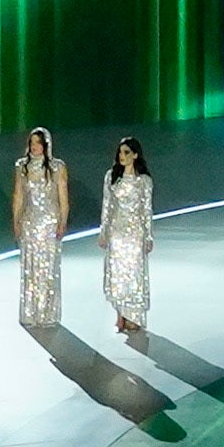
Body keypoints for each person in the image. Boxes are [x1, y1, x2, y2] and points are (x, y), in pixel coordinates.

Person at [11, 128, 71, 327]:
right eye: (31, 143)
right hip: (29, 223)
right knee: (31, 268)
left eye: (38, 143)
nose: (34, 147)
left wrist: (63, 222)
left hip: (50, 225)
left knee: (48, 268)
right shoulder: (22, 167)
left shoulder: (57, 167)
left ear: (46, 145)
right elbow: (18, 196)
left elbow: (63, 198)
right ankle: (31, 312)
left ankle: (47, 313)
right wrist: (16, 221)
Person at [99, 138, 156, 342]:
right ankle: (120, 315)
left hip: (135, 233)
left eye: (126, 152)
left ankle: (134, 315)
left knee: (134, 273)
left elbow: (147, 210)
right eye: (120, 152)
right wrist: (104, 231)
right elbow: (107, 205)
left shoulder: (144, 181)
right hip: (117, 232)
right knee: (118, 273)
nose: (122, 156)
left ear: (135, 155)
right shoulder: (112, 177)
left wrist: (148, 235)